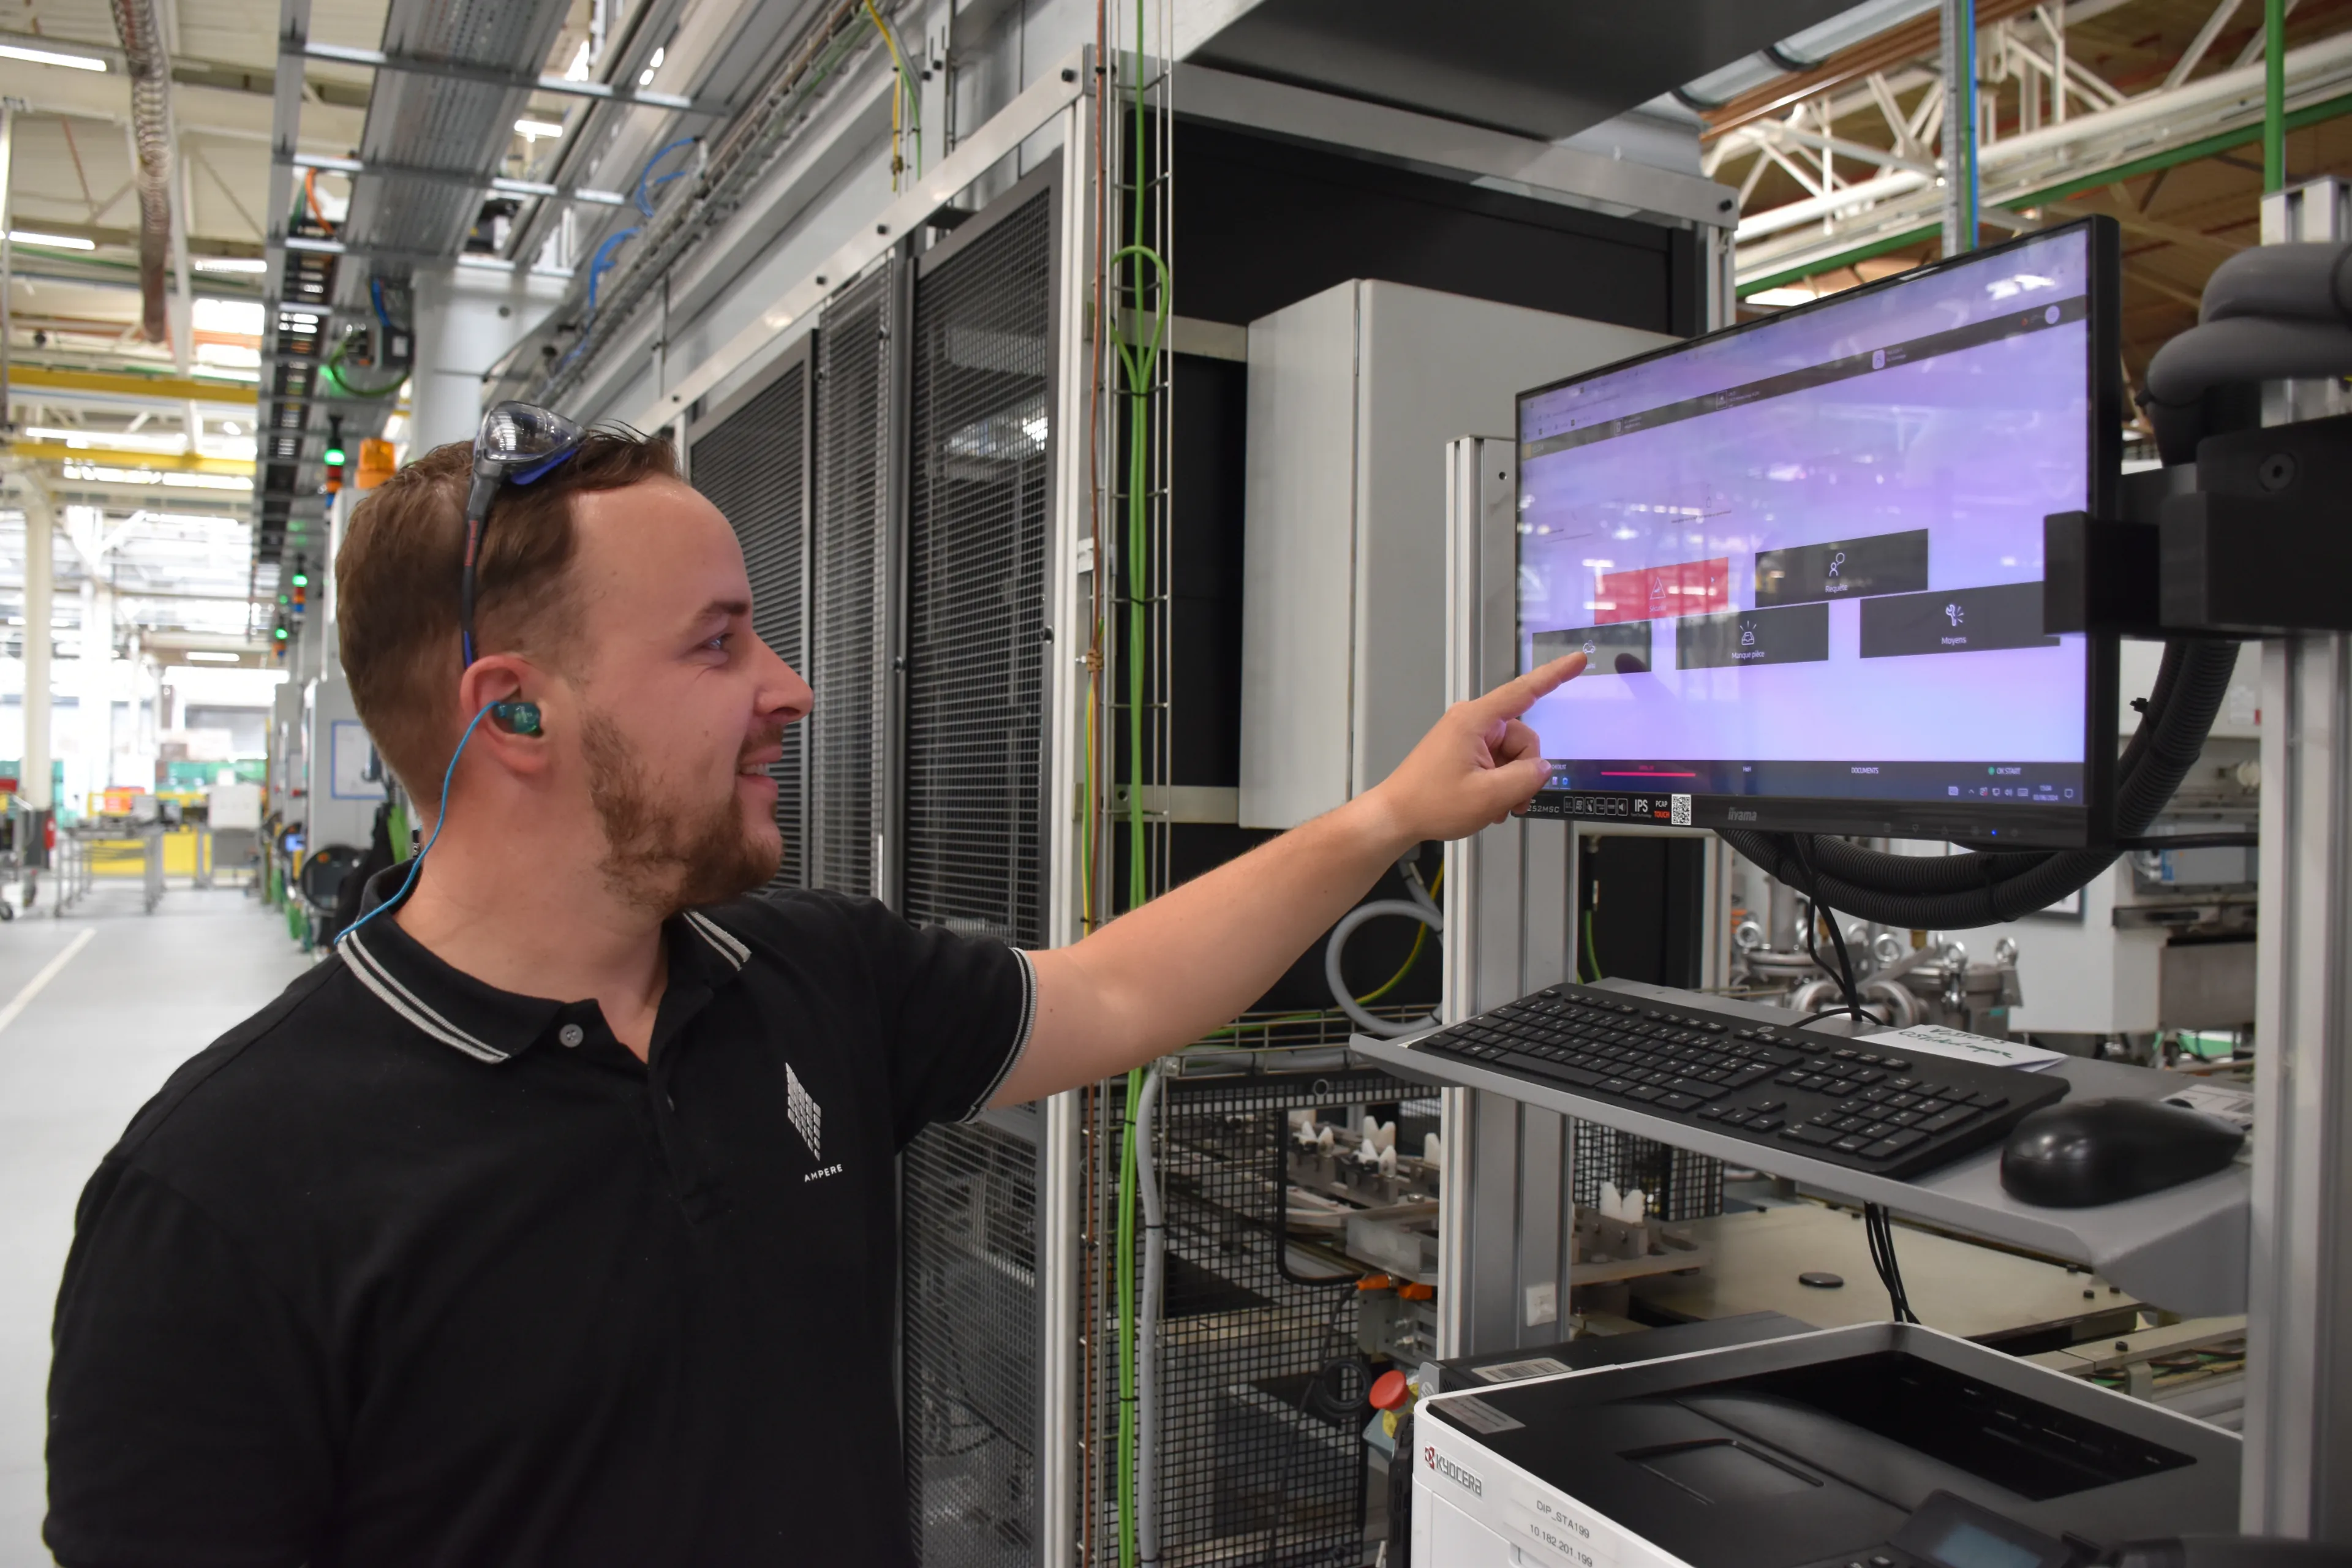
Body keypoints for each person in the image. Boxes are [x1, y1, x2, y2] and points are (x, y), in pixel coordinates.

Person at [43, 414, 1583, 1567]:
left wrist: (1386, 818)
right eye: (721, 643)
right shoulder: (219, 1201)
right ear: (509, 710)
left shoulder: (806, 978)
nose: (790, 683)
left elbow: (1112, 994)